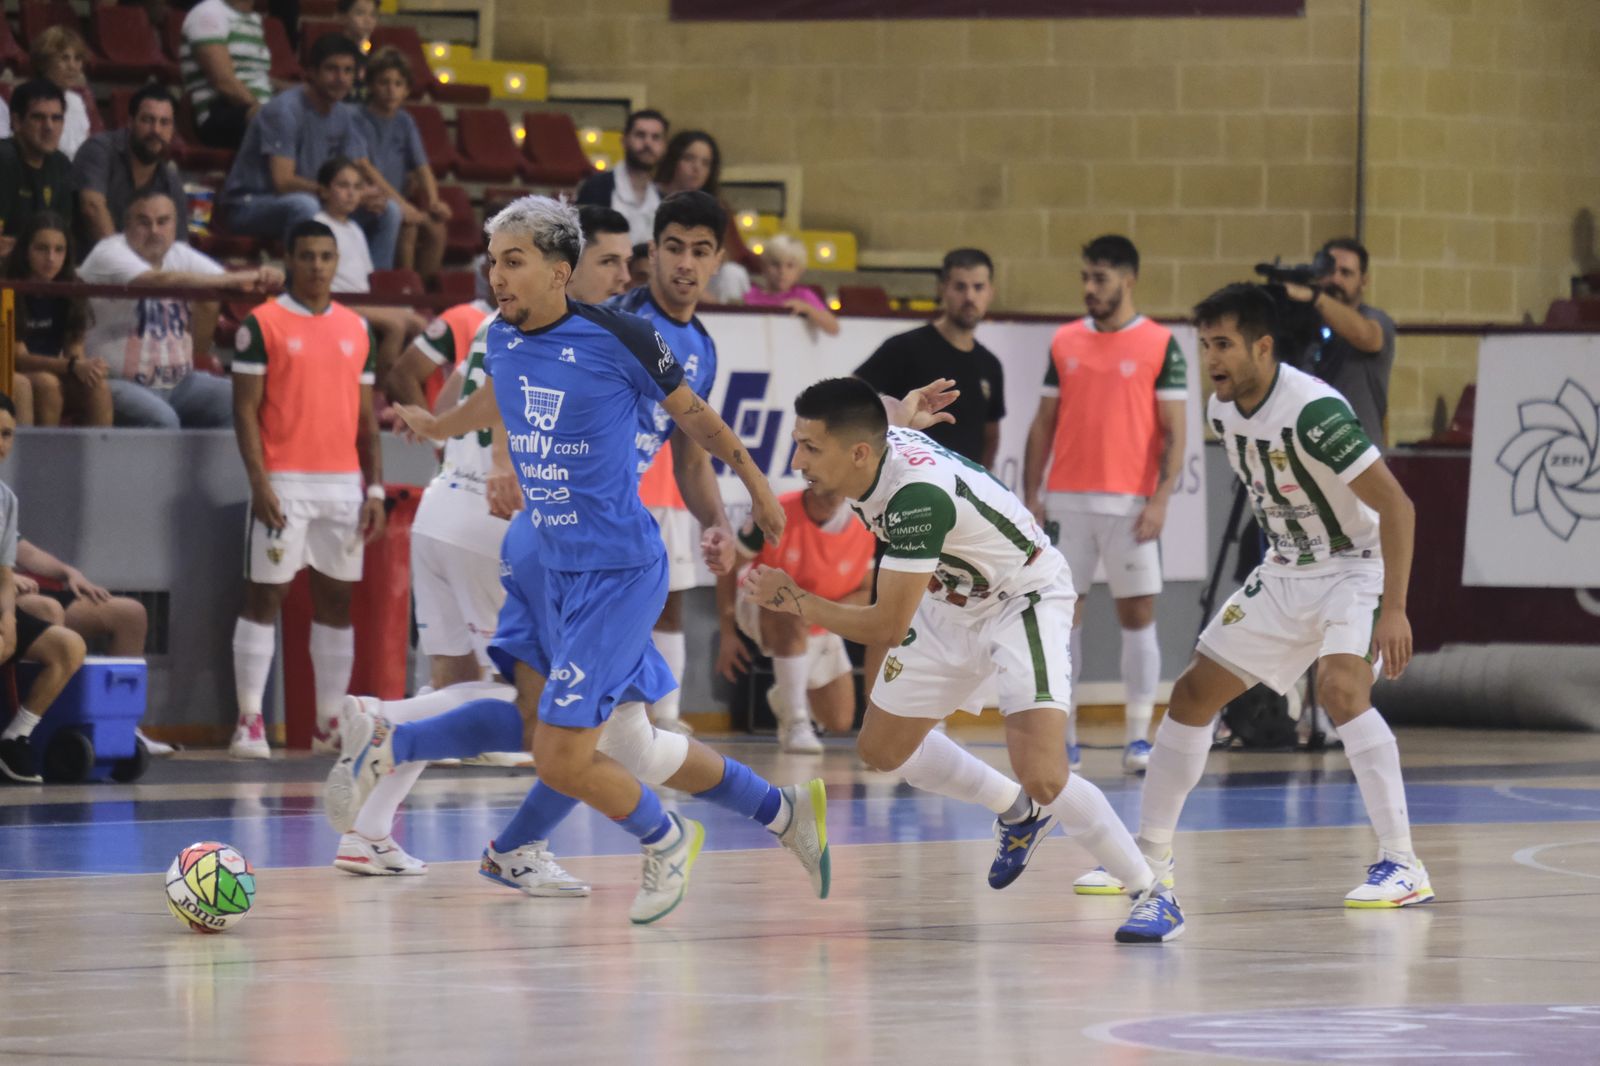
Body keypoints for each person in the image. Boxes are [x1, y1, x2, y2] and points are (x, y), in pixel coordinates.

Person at [328, 194, 828, 926]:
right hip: (545, 559)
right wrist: (440, 425)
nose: (497, 276)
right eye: (493, 262)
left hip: (616, 570)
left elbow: (699, 424)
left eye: (514, 261)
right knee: (614, 738)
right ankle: (782, 813)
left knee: (567, 752)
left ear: (560, 271)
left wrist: (750, 492)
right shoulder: (504, 335)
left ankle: (663, 838)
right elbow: (498, 397)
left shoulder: (624, 337)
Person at [743, 377, 1178, 945]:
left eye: (809, 447)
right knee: (883, 750)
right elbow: (887, 415)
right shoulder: (873, 448)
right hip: (950, 600)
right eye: (798, 443)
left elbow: (885, 626)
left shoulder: (916, 498)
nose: (797, 461)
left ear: (859, 453)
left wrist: (796, 599)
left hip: (1022, 597)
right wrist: (907, 408)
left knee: (1044, 774)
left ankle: (1152, 892)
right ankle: (1017, 811)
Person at [1069, 283, 1429, 928]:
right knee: (1191, 695)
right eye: (1205, 345)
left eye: (1224, 345)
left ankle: (1403, 864)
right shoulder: (1223, 410)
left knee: (1342, 690)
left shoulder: (1315, 412)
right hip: (1287, 570)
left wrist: (1395, 608)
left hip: (1354, 566)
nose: (1212, 358)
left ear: (1263, 347)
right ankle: (1149, 856)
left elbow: (1397, 507)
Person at [331, 203, 659, 876]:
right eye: (605, 263)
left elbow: (457, 397)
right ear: (564, 266)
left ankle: (366, 830)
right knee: (536, 702)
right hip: (497, 518)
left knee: (457, 680)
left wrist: (450, 438)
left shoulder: (491, 324)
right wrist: (503, 462)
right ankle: (385, 721)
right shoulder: (553, 333)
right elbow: (511, 403)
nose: (618, 278)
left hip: (440, 510)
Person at [1023, 235, 1186, 774]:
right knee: (1061, 619)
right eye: (1085, 278)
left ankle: (1138, 737)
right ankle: (1063, 738)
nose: (1089, 288)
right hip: (1066, 502)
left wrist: (1160, 500)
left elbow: (1175, 431)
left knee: (1137, 616)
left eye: (1100, 279)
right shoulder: (1065, 340)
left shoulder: (1161, 344)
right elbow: (1043, 422)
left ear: (1128, 280)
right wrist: (1031, 494)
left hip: (1131, 506)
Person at [229, 219, 385, 758]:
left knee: (337, 600)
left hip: (343, 485)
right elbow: (243, 411)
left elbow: (366, 422)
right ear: (290, 260)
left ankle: (328, 724)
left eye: (326, 256)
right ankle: (249, 720)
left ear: (337, 261)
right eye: (307, 255)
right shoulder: (261, 323)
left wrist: (375, 490)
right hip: (283, 482)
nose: (317, 265)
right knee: (264, 596)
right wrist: (259, 482)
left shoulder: (357, 328)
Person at [608, 191, 729, 736]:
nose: (686, 263)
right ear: (652, 252)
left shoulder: (703, 348)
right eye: (674, 248)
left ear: (717, 261)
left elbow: (691, 459)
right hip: (572, 507)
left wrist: (717, 521)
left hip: (616, 515)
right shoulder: (616, 320)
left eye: (700, 251)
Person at [80, 191, 281, 428]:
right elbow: (158, 281)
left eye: (162, 221)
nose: (154, 231)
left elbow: (224, 281)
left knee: (240, 401)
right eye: (144, 222)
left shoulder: (179, 253)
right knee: (163, 420)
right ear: (127, 226)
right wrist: (238, 278)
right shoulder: (109, 252)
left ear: (175, 225)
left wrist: (265, 276)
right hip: (115, 381)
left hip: (179, 383)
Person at [219, 33, 403, 270]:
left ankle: (374, 288)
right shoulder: (284, 111)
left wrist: (363, 193)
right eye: (332, 69)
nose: (341, 78)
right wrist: (334, 193)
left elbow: (350, 172)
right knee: (305, 206)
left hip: (317, 197)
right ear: (312, 73)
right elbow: (283, 182)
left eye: (348, 71)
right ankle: (300, 285)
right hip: (251, 203)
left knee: (388, 210)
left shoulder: (343, 114)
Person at [717, 484, 875, 752]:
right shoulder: (775, 512)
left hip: (820, 617)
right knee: (788, 607)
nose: (833, 496)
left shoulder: (863, 523)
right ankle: (796, 722)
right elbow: (728, 566)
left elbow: (865, 592)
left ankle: (786, 694)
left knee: (839, 720)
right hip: (762, 603)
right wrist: (727, 632)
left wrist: (821, 612)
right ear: (811, 481)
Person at [0, 394, 89, 784]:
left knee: (69, 647)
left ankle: (15, 738)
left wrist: (8, 619)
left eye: (7, 434)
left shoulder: (6, 500)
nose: (1, 443)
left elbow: (5, 573)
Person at [854, 248, 1006, 469]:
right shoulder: (905, 347)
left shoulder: (990, 365)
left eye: (978, 287)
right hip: (906, 479)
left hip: (963, 485)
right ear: (942, 289)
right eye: (960, 287)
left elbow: (990, 436)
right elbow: (850, 396)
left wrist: (981, 482)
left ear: (991, 292)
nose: (969, 297)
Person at [313, 155, 426, 383]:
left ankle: (407, 386)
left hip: (363, 301)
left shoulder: (355, 229)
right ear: (324, 191)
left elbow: (366, 275)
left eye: (357, 187)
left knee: (420, 323)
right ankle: (381, 391)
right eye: (343, 186)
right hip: (337, 301)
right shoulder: (319, 225)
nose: (351, 193)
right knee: (395, 325)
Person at [2, 213, 113, 427]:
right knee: (47, 384)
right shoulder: (8, 286)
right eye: (42, 249)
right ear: (26, 251)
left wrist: (87, 367)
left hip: (56, 369)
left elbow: (74, 349)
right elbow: (19, 358)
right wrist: (72, 366)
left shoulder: (73, 288)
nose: (51, 258)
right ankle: (45, 449)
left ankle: (102, 449)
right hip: (14, 369)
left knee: (98, 386)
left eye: (59, 250)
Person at [357, 48, 450, 280]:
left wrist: (434, 201)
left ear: (407, 89)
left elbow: (422, 167)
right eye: (384, 82)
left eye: (398, 84)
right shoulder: (357, 119)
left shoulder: (405, 121)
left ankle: (424, 290)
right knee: (407, 225)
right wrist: (401, 205)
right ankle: (404, 288)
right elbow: (366, 168)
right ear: (371, 85)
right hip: (369, 200)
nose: (391, 90)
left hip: (399, 201)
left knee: (436, 229)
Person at [1296, 237, 1397, 448]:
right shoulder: (1302, 324)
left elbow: (1367, 337)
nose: (1335, 279)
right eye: (1329, 271)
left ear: (1364, 280)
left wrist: (1316, 298)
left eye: (1346, 273)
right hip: (1309, 451)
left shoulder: (1376, 319)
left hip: (1358, 455)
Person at [74, 84, 189, 248]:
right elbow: (92, 207)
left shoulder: (170, 180)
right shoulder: (100, 149)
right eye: (148, 120)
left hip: (139, 262)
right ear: (130, 122)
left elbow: (180, 245)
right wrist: (122, 259)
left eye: (164, 122)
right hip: (89, 260)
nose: (156, 130)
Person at [651, 130, 751, 303]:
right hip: (660, 275)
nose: (697, 168)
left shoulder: (718, 207)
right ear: (674, 160)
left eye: (705, 163)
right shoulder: (650, 197)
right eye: (689, 158)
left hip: (702, 279)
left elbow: (732, 256)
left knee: (733, 273)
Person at [386, 256, 492, 408]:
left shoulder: (526, 322)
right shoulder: (460, 318)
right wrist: (428, 422)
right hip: (461, 419)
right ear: (485, 270)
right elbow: (401, 375)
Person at [180, 0, 274, 149]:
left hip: (254, 111)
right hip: (219, 112)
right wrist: (265, 113)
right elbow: (224, 82)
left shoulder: (252, 20)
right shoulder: (208, 12)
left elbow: (259, 78)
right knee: (281, 121)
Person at [0, 80, 76, 261]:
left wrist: (26, 247)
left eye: (56, 118)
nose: (49, 127)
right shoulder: (4, 160)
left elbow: (60, 240)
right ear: (17, 121)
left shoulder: (61, 165)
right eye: (38, 117)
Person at [575, 109, 666, 245]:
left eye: (656, 137)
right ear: (624, 140)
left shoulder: (662, 198)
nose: (648, 143)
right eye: (640, 135)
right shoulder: (597, 187)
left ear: (664, 145)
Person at [742, 234, 839, 336]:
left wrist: (808, 309)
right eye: (775, 264)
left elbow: (834, 328)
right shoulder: (749, 294)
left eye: (790, 266)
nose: (782, 271)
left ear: (800, 271)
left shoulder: (803, 296)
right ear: (763, 267)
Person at [29, 27, 95, 161]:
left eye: (77, 59)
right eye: (65, 58)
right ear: (44, 62)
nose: (72, 66)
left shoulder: (77, 101)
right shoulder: (30, 100)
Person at [337, 0, 378, 103]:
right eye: (360, 13)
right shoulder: (332, 52)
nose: (368, 20)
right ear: (342, 17)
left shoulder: (377, 55)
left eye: (373, 15)